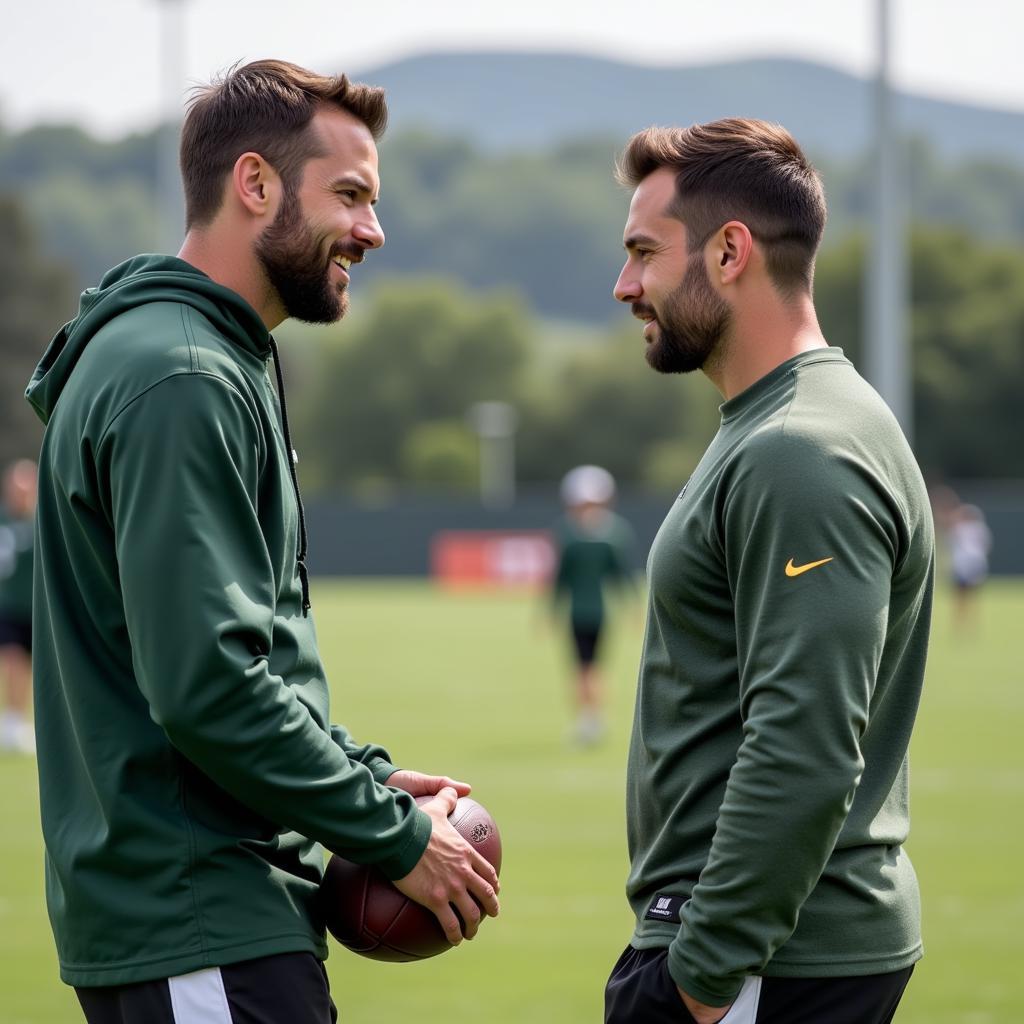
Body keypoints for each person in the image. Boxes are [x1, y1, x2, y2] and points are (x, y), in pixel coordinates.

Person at [26, 60, 498, 1024]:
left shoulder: (186, 353)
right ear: (254, 184)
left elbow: (239, 660)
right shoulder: (184, 374)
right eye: (352, 195)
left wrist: (354, 771)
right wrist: (395, 836)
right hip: (199, 916)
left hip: (199, 913)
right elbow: (206, 686)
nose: (373, 230)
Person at [604, 119, 934, 1024]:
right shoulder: (776, 425)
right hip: (756, 955)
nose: (625, 284)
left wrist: (701, 979)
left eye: (643, 252)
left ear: (730, 251)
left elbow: (805, 740)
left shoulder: (800, 449)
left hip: (761, 964)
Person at [550, 464, 635, 745]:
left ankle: (590, 719)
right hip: (591, 612)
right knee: (589, 669)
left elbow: (561, 580)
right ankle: (592, 718)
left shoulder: (576, 535)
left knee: (586, 669)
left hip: (586, 612)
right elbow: (620, 576)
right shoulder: (611, 533)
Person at [0, 459, 36, 754]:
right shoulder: (3, 520)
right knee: (12, 660)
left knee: (36, 669)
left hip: (37, 608)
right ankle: (11, 721)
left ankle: (26, 721)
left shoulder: (44, 521)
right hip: (8, 605)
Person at [947, 501, 992, 632]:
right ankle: (966, 624)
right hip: (972, 565)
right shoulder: (978, 528)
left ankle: (964, 624)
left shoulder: (962, 528)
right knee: (967, 597)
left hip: (966, 565)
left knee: (963, 597)